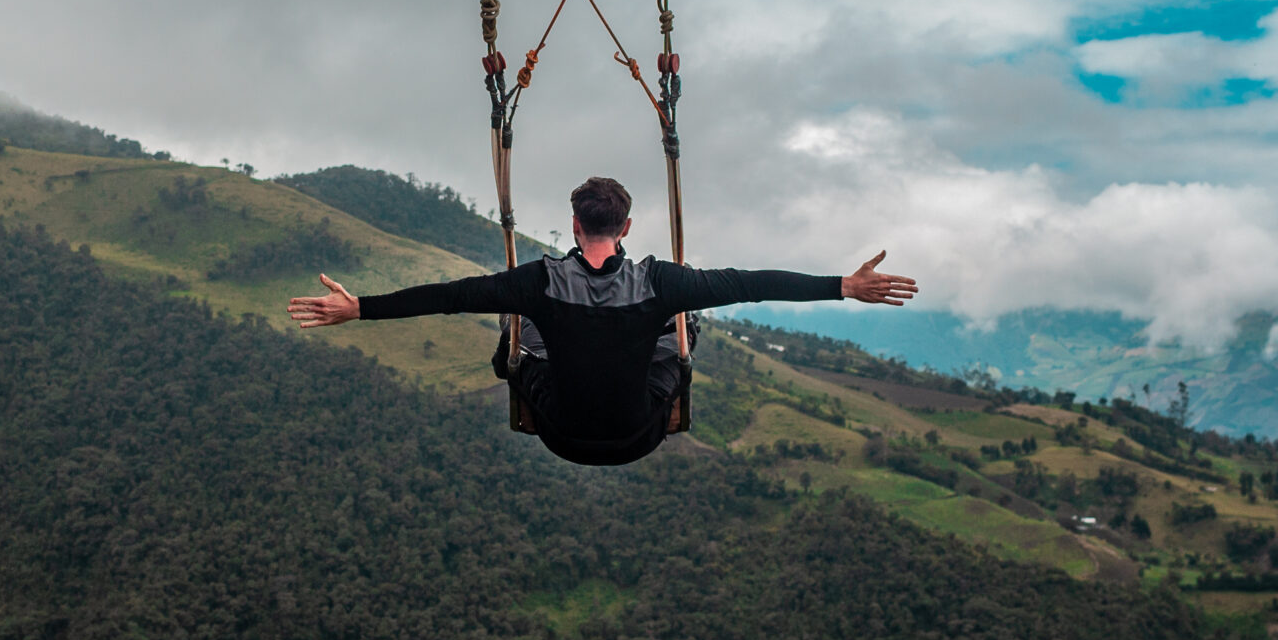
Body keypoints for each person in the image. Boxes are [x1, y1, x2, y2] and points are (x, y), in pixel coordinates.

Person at [288, 175, 917, 467]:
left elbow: (448, 295)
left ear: (575, 225)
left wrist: (360, 308)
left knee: (514, 333)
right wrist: (844, 286)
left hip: (560, 430)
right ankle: (663, 350)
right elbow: (752, 284)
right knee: (686, 325)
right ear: (627, 227)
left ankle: (540, 358)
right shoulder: (658, 280)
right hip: (639, 430)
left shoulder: (538, 280)